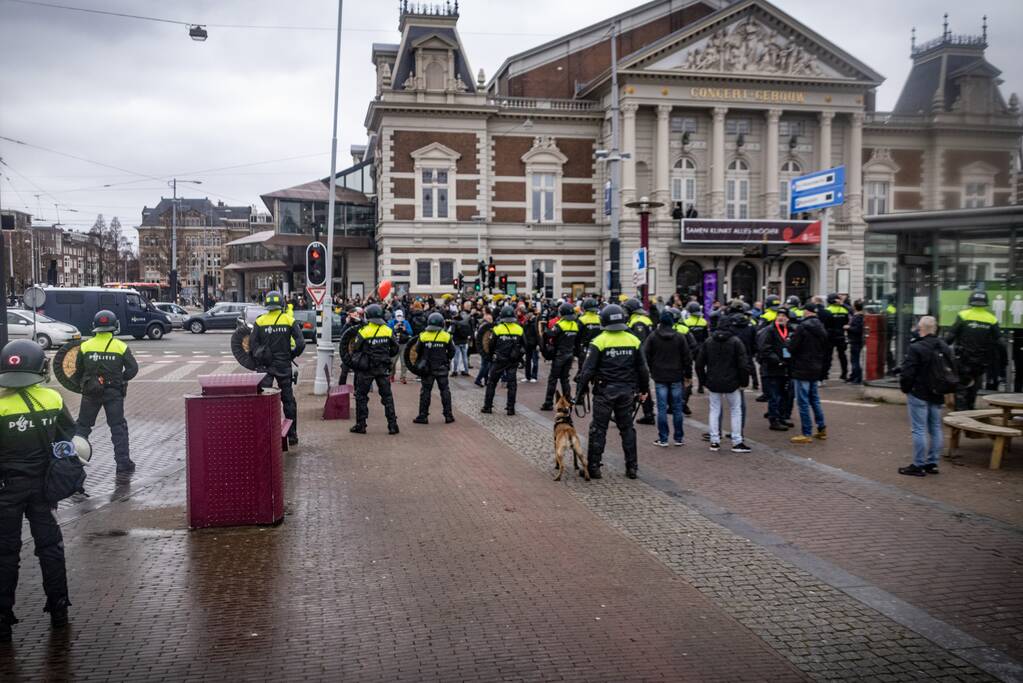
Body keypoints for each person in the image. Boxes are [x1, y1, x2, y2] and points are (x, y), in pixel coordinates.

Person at [0, 340, 78, 641]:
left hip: (6, 489)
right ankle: (59, 609)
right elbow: (68, 439)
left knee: (5, 553)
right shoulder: (52, 399)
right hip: (43, 488)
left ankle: (3, 621)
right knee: (50, 548)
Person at [575, 304, 650, 479]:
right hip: (626, 391)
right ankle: (632, 467)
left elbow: (587, 371)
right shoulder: (633, 340)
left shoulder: (600, 341)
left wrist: (579, 393)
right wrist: (644, 390)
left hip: (604, 392)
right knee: (627, 429)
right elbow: (643, 369)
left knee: (598, 429)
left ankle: (594, 467)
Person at [75, 310, 140, 474]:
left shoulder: (85, 346)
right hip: (113, 392)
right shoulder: (121, 346)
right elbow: (133, 369)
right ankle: (123, 463)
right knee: (118, 427)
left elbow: (78, 369)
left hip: (90, 393)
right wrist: (120, 378)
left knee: (82, 427)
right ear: (114, 326)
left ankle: (74, 462)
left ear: (94, 326)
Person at [897, 316, 953, 476]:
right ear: (935, 329)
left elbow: (908, 372)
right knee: (935, 428)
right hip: (937, 392)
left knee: (919, 429)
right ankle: (932, 463)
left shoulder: (916, 347)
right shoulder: (943, 346)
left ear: (920, 328)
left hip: (919, 392)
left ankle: (918, 464)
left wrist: (905, 388)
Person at [250, 292, 305, 446]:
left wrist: (260, 358)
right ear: (281, 304)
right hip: (283, 366)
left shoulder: (260, 321)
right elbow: (300, 344)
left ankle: (265, 434)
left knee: (264, 401)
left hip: (265, 367)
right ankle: (292, 435)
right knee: (288, 401)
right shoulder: (288, 320)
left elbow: (253, 346)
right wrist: (291, 355)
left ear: (266, 305)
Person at [695, 314, 751, 453]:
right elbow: (743, 365)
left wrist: (703, 381)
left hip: (713, 381)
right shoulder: (736, 342)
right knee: (735, 410)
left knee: (714, 410)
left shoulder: (709, 342)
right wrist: (744, 382)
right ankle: (737, 441)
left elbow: (699, 364)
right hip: (733, 382)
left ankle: (715, 440)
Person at [946, 290, 1001, 410]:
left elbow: (950, 336)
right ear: (985, 303)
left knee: (960, 387)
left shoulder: (963, 315)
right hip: (981, 362)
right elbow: (999, 342)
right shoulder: (992, 319)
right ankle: (970, 411)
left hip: (963, 359)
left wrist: (943, 349)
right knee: (974, 387)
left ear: (971, 302)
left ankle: (960, 416)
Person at [643, 311, 692, 447]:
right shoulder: (679, 337)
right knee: (677, 408)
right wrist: (688, 375)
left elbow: (645, 355)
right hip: (676, 375)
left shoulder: (653, 337)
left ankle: (663, 438)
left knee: (661, 408)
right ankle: (678, 437)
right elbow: (687, 358)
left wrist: (651, 370)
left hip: (659, 376)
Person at [350, 304, 400, 435]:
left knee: (361, 396)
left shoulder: (363, 331)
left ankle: (361, 425)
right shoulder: (388, 331)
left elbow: (356, 348)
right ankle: (392, 425)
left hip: (367, 369)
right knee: (387, 396)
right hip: (382, 368)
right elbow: (395, 349)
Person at [788, 303, 828, 444]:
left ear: (806, 311)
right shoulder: (821, 326)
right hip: (816, 366)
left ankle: (806, 432)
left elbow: (792, 347)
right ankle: (821, 428)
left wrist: (789, 345)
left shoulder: (803, 327)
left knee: (803, 401)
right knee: (815, 399)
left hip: (802, 367)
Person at [481, 305, 525, 416]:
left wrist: (491, 356)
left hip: (499, 361)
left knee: (491, 383)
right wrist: (519, 356)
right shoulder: (519, 329)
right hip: (512, 361)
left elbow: (490, 345)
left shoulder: (497, 329)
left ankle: (488, 407)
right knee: (512, 385)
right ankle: (511, 409)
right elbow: (525, 345)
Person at [413, 312, 456, 425]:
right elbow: (452, 352)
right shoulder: (446, 336)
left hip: (427, 370)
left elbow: (417, 350)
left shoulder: (423, 336)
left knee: (425, 392)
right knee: (445, 391)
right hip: (442, 368)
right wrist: (446, 359)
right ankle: (448, 415)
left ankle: (423, 416)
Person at [756, 306, 794, 431]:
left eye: (784, 316)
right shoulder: (769, 330)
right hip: (772, 368)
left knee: (784, 394)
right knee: (774, 395)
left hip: (785, 368)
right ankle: (774, 420)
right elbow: (764, 349)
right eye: (779, 315)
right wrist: (778, 361)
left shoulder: (789, 330)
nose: (781, 318)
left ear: (788, 319)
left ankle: (781, 417)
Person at [541, 302, 581, 411]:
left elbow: (550, 334)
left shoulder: (560, 324)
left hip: (560, 355)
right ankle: (568, 401)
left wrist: (544, 328)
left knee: (553, 379)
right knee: (565, 379)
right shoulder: (575, 325)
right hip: (570, 355)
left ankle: (548, 402)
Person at [624, 298, 655, 425]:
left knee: (636, 384)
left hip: (640, 359)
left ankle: (627, 414)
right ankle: (648, 413)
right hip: (645, 358)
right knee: (642, 385)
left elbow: (640, 343)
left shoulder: (638, 323)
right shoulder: (643, 319)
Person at [822, 293, 851, 381]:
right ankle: (844, 373)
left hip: (830, 336)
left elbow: (825, 324)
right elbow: (849, 316)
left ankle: (825, 374)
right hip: (841, 335)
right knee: (842, 356)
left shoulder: (827, 310)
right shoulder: (844, 310)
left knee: (827, 356)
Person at [683, 302, 709, 393]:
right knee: (700, 367)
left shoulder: (686, 322)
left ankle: (689, 387)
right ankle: (701, 386)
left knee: (687, 367)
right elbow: (706, 336)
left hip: (689, 347)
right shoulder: (704, 322)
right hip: (701, 347)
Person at [388, 309, 414, 384]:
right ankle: (391, 375)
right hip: (394, 344)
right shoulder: (391, 322)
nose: (399, 318)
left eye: (400, 316)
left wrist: (405, 329)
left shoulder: (406, 322)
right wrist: (394, 328)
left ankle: (403, 377)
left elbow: (411, 332)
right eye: (398, 316)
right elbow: (387, 331)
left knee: (404, 362)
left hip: (404, 344)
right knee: (392, 362)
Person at [846, 300, 865, 384]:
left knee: (855, 360)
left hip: (856, 340)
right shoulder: (860, 316)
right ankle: (854, 376)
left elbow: (857, 330)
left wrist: (848, 327)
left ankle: (857, 378)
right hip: (856, 340)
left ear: (855, 307)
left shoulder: (858, 317)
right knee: (854, 360)